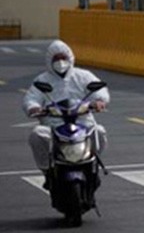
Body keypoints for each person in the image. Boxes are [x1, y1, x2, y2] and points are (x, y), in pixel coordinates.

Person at [22, 40, 110, 188]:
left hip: (83, 123)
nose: (60, 62)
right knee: (37, 135)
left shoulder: (83, 76)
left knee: (100, 132)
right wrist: (33, 108)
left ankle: (93, 167)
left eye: (63, 57)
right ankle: (47, 171)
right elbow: (31, 98)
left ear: (70, 58)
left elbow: (99, 91)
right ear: (49, 60)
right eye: (56, 59)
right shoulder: (42, 80)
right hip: (53, 126)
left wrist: (100, 101)